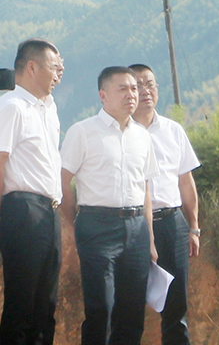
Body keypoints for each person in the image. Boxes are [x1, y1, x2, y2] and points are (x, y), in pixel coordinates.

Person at [60, 66, 159, 345]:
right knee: (100, 308)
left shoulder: (142, 136)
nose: (132, 94)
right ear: (103, 95)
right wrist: (77, 223)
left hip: (137, 228)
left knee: (132, 312)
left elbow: (145, 187)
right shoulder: (83, 131)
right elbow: (63, 180)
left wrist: (150, 237)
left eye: (134, 88)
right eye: (123, 89)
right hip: (96, 225)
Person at [129, 64, 200, 345]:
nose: (146, 91)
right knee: (128, 303)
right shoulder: (120, 132)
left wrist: (193, 227)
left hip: (172, 224)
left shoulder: (173, 130)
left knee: (176, 305)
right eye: (138, 85)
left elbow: (186, 182)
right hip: (132, 223)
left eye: (150, 84)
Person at [0, 38, 63, 344]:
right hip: (22, 210)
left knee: (45, 305)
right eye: (54, 66)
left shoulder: (47, 109)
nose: (58, 73)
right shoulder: (11, 106)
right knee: (22, 303)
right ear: (32, 67)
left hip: (48, 211)